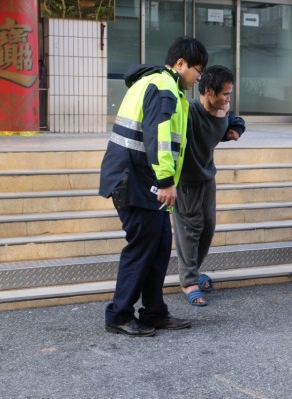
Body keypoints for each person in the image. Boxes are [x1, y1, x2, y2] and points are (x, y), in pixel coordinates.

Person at [99, 36, 208, 336]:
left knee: (159, 245)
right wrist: (165, 181)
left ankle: (154, 313)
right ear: (181, 63)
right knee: (143, 247)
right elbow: (158, 135)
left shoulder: (162, 85)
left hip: (139, 178)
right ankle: (119, 315)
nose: (198, 77)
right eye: (197, 70)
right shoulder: (163, 86)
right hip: (135, 179)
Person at [173, 65, 246, 306]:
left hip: (207, 176)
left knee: (208, 227)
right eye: (224, 94)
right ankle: (188, 281)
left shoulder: (223, 112)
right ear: (207, 91)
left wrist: (236, 129)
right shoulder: (189, 112)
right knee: (189, 229)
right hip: (185, 181)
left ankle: (193, 270)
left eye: (229, 94)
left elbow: (237, 120)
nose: (227, 99)